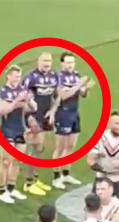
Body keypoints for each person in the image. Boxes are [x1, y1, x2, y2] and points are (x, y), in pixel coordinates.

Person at [49, 51, 93, 189]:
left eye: (72, 62)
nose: (70, 65)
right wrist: (79, 85)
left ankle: (66, 173)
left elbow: (82, 94)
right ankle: (56, 177)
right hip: (62, 113)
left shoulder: (76, 75)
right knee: (60, 147)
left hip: (75, 113)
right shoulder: (58, 77)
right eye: (67, 62)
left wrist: (86, 89)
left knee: (71, 146)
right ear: (62, 63)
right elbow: (63, 95)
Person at [0, 65, 36, 204]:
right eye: (15, 76)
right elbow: (1, 111)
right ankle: (1, 190)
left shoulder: (23, 90)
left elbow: (33, 108)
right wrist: (16, 102)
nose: (17, 79)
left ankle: (11, 187)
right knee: (5, 161)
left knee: (18, 160)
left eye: (19, 76)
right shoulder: (1, 92)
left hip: (20, 128)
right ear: (8, 76)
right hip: (7, 129)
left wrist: (29, 100)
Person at [21, 52, 58, 197]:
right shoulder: (31, 77)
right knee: (33, 148)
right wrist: (29, 117)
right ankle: (28, 182)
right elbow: (24, 98)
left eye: (48, 60)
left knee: (40, 148)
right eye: (44, 60)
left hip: (45, 115)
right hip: (33, 116)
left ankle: (35, 179)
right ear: (38, 61)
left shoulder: (53, 76)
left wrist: (53, 111)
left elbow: (57, 95)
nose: (46, 63)